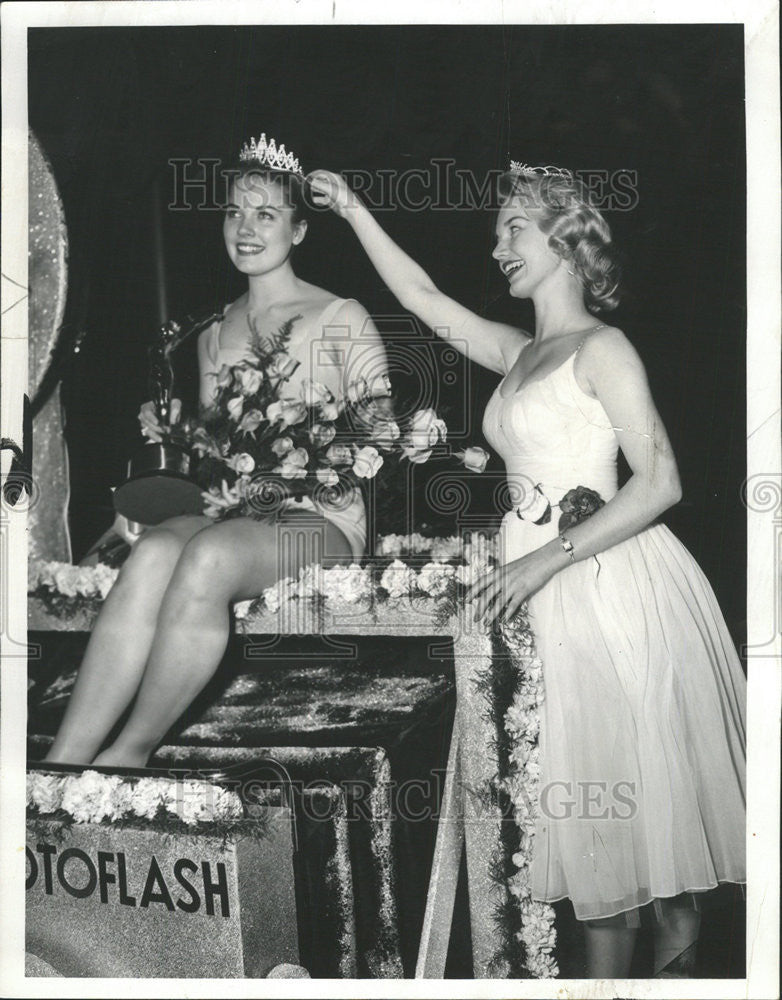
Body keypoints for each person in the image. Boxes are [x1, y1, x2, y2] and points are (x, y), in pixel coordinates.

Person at [307, 164, 746, 978]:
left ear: (564, 234)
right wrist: (354, 211)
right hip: (537, 596)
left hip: (609, 590)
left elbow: (662, 482)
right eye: (498, 229)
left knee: (638, 836)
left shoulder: (603, 348)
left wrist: (548, 556)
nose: (498, 244)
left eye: (514, 227)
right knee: (590, 835)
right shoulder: (520, 351)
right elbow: (424, 300)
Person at [45, 136, 389, 769]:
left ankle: (128, 754)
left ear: (300, 229)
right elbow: (213, 461)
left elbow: (381, 432)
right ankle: (63, 765)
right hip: (238, 521)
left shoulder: (343, 315)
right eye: (234, 212)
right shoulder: (211, 334)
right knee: (152, 552)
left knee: (206, 556)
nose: (246, 228)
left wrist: (301, 461)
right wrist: (158, 504)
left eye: (266, 214)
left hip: (324, 520)